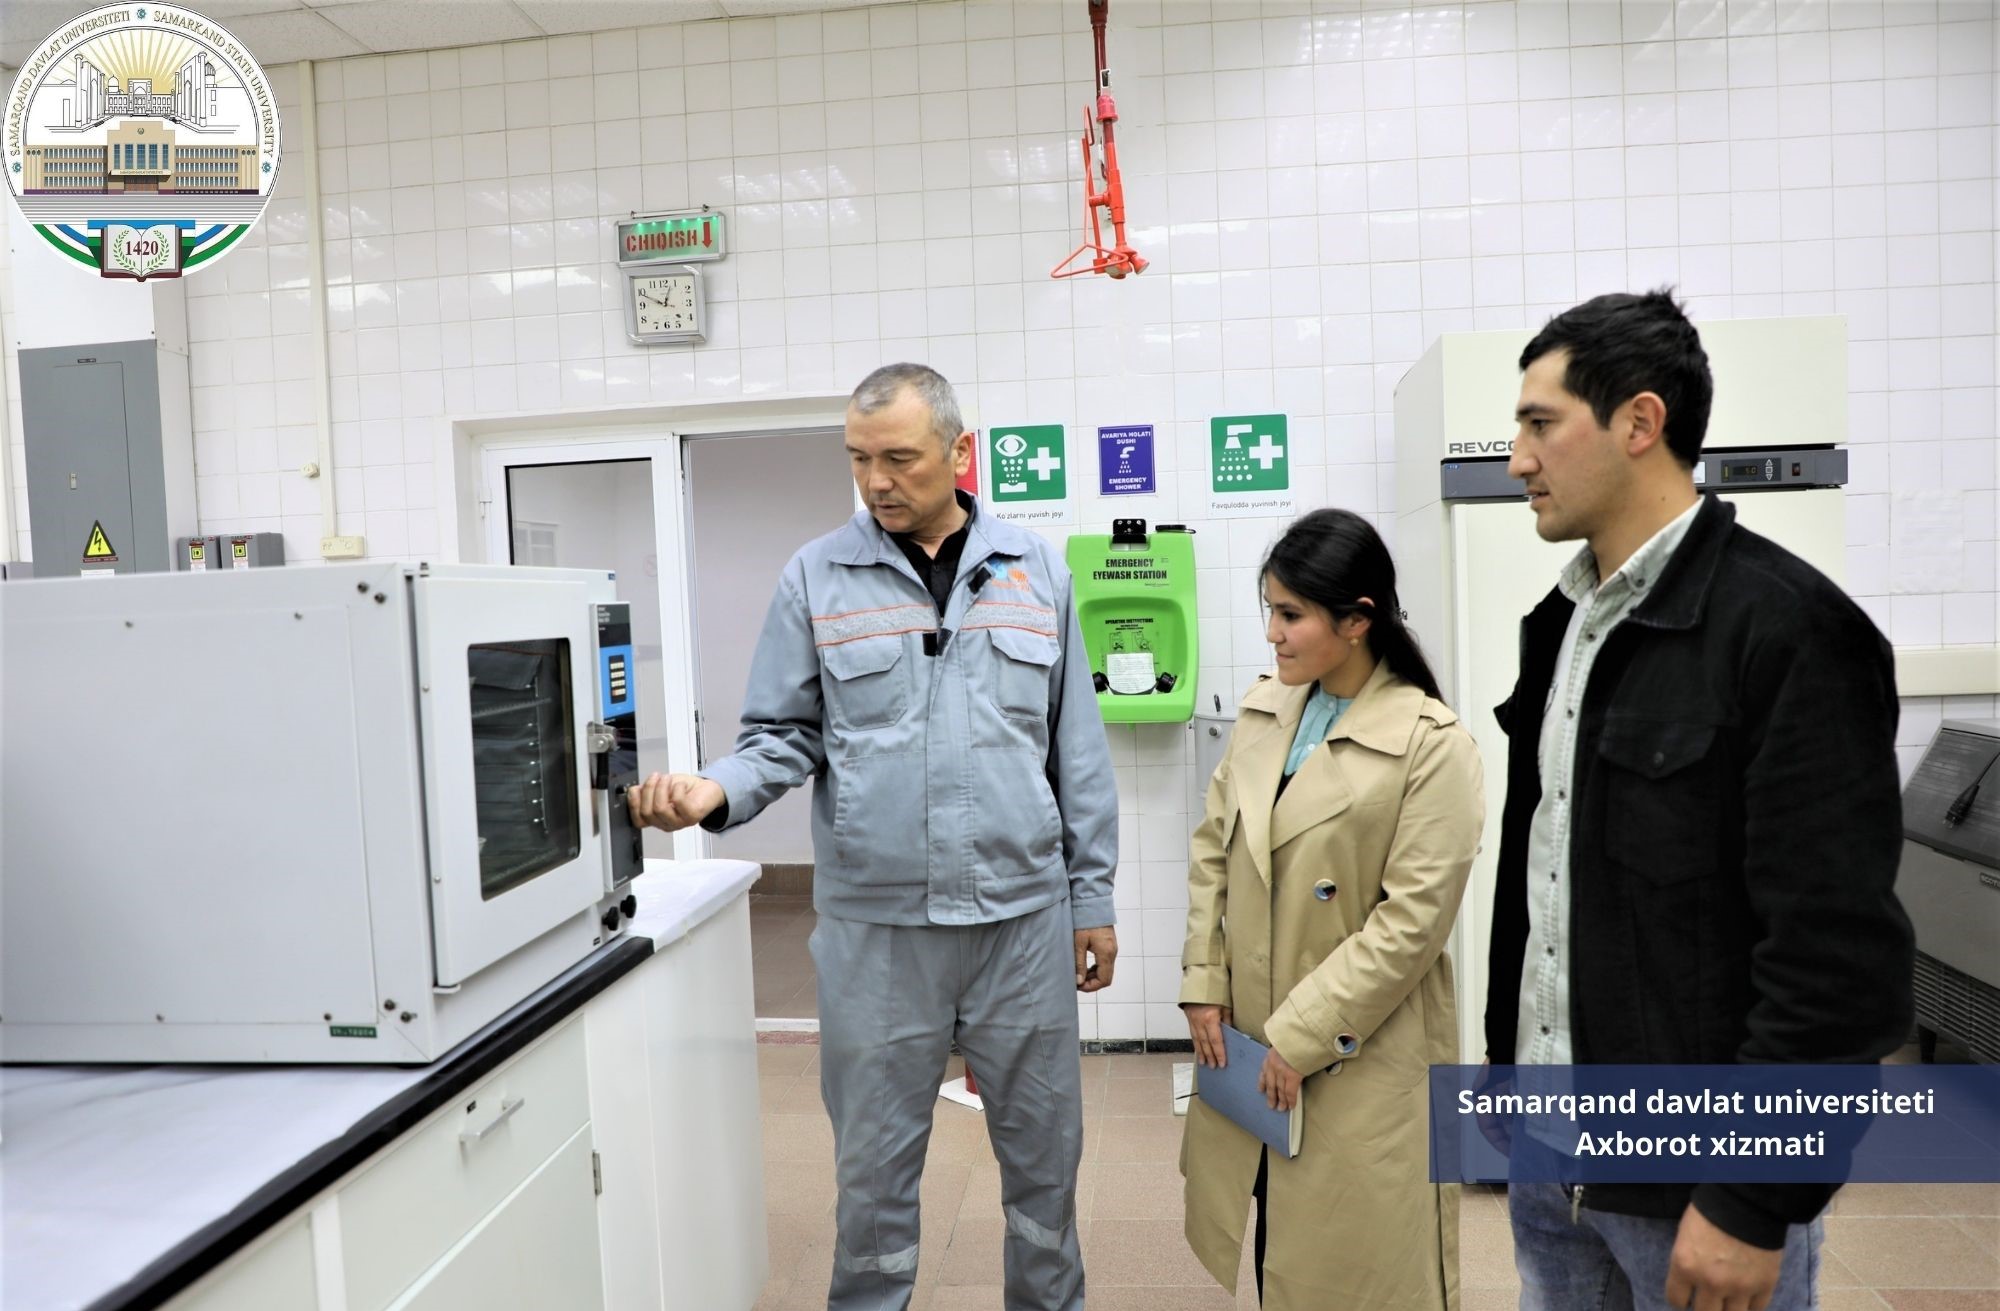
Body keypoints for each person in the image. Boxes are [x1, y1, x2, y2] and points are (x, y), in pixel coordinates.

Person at [627, 363, 1118, 1311]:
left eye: (899, 458)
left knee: (1046, 1168)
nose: (877, 480)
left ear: (959, 452)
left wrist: (1089, 897)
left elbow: (1076, 749)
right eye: (858, 459)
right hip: (878, 935)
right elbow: (781, 735)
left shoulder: (1036, 570)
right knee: (873, 1180)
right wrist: (716, 791)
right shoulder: (817, 575)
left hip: (1021, 925)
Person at [1488, 290, 1914, 1311]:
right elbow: (1541, 882)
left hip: (1693, 1183)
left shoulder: (1789, 632)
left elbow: (1832, 956)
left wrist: (1753, 1197)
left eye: (1540, 423)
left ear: (1640, 422)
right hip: (1549, 1156)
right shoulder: (1560, 625)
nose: (1515, 458)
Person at [1179, 508, 1485, 1309]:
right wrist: (1203, 979)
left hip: (1356, 1050)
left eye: (1291, 614)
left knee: (1354, 1263)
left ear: (1357, 620)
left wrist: (1303, 1032)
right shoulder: (1266, 711)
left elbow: (1410, 926)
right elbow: (1213, 849)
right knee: (1275, 1236)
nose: (1272, 634)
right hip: (1251, 1039)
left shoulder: (1432, 746)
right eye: (1270, 611)